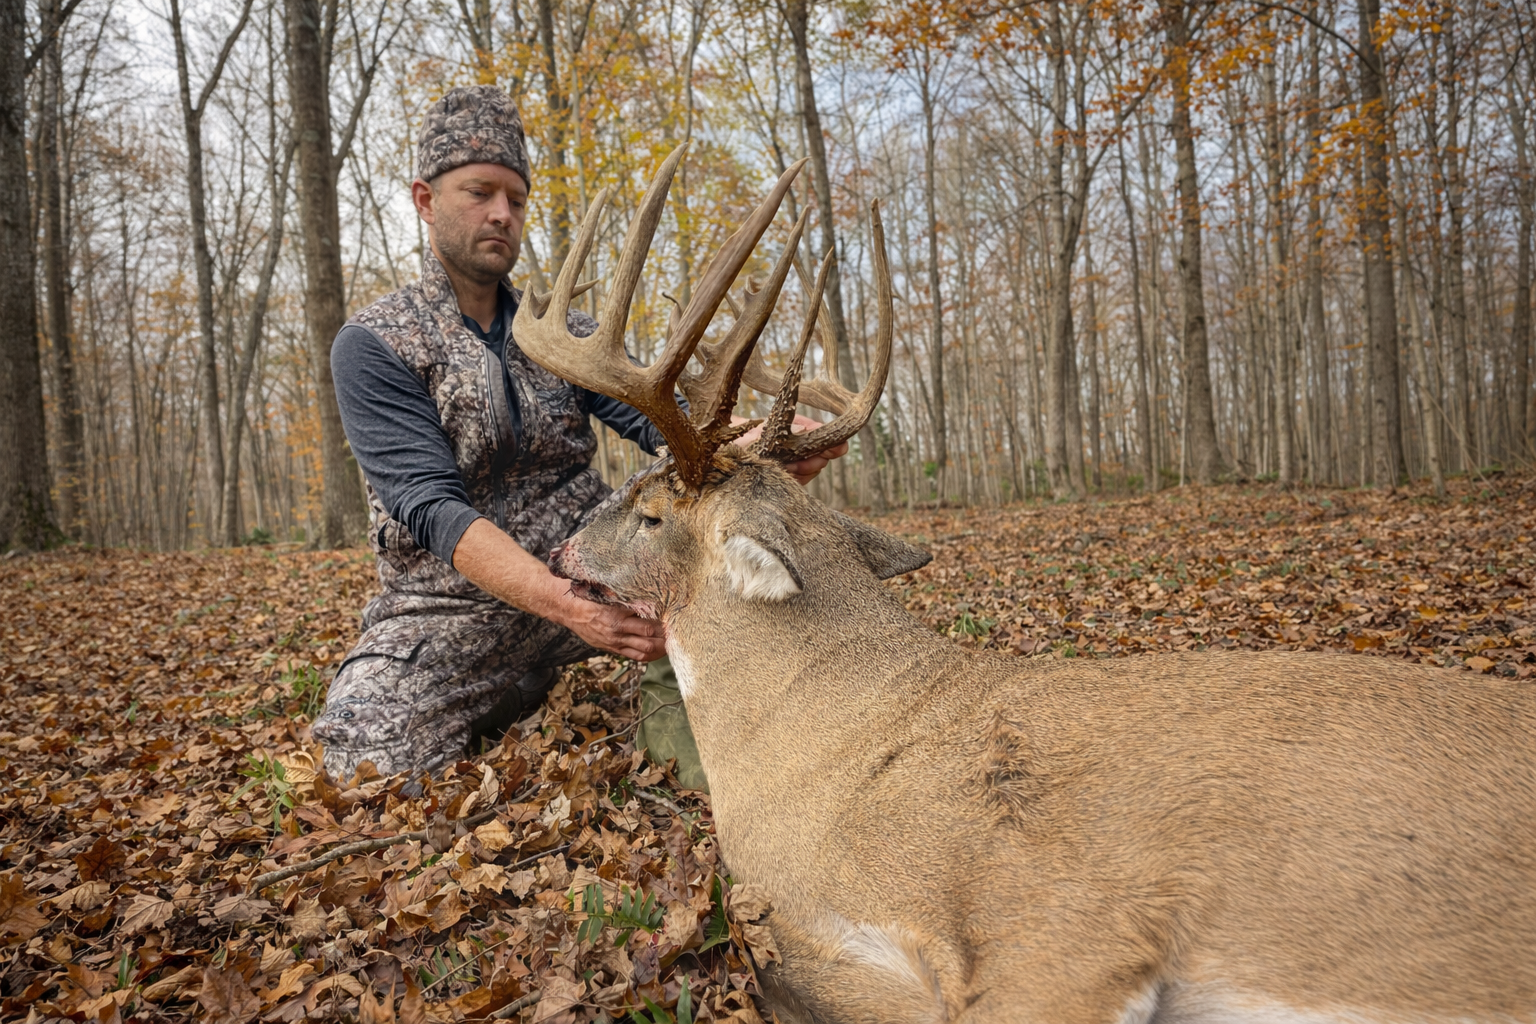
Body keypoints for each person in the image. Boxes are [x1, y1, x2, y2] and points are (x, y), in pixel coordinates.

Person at [317, 85, 844, 788]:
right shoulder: (375, 344)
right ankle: (515, 684)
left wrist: (767, 445)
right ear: (424, 200)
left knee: (745, 604)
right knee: (364, 765)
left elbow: (665, 432)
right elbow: (430, 507)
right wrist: (565, 608)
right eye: (479, 192)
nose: (502, 213)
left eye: (516, 198)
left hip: (597, 565)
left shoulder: (563, 337)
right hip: (445, 607)